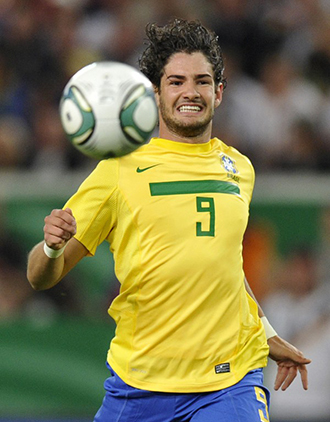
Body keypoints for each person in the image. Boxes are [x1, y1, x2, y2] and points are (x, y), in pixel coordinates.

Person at [27, 19, 310, 422]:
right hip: (140, 385)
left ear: (219, 92)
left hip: (229, 382)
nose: (190, 92)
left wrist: (266, 333)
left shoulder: (239, 169)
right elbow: (41, 277)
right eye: (176, 81)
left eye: (202, 81)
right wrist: (52, 246)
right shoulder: (118, 171)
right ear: (155, 93)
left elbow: (227, 266)